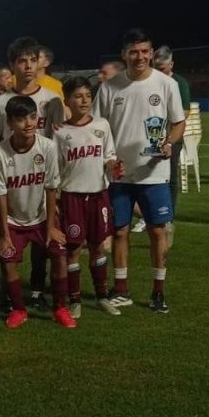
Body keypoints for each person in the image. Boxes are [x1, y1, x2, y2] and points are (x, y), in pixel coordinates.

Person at [92, 28, 186, 313]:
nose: (140, 57)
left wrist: (169, 143)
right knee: (120, 231)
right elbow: (98, 128)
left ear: (152, 52)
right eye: (134, 51)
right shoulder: (110, 87)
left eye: (145, 51)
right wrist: (108, 160)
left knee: (157, 231)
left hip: (154, 172)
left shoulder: (166, 84)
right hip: (119, 174)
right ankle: (121, 288)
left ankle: (158, 292)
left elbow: (178, 122)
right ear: (124, 55)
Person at [0, 36, 65, 311]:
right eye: (22, 61)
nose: (28, 66)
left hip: (42, 177)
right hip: (12, 177)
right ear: (12, 65)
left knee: (45, 241)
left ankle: (37, 290)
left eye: (33, 60)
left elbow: (60, 136)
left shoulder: (51, 99)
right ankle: (11, 294)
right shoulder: (0, 104)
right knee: (9, 241)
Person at [0, 96, 74, 329]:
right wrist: (4, 233)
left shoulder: (47, 146)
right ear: (9, 122)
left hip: (42, 216)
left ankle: (60, 308)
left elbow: (50, 187)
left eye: (32, 117)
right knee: (8, 261)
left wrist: (50, 227)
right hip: (13, 219)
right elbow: (1, 193)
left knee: (59, 254)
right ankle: (19, 309)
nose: (28, 123)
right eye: (21, 119)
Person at [54, 76, 120, 318]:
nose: (84, 101)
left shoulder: (101, 125)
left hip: (98, 196)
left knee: (98, 247)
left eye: (88, 96)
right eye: (78, 96)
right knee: (73, 249)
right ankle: (75, 300)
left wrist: (113, 165)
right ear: (67, 101)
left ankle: (102, 296)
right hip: (72, 197)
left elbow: (108, 155)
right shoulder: (60, 132)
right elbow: (56, 168)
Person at [135, 46, 191, 243]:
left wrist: (167, 130)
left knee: (170, 178)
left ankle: (168, 217)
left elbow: (184, 113)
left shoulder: (178, 83)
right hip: (146, 138)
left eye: (164, 68)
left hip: (170, 138)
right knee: (143, 176)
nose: (160, 72)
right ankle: (146, 216)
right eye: (157, 68)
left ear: (171, 65)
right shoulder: (148, 82)